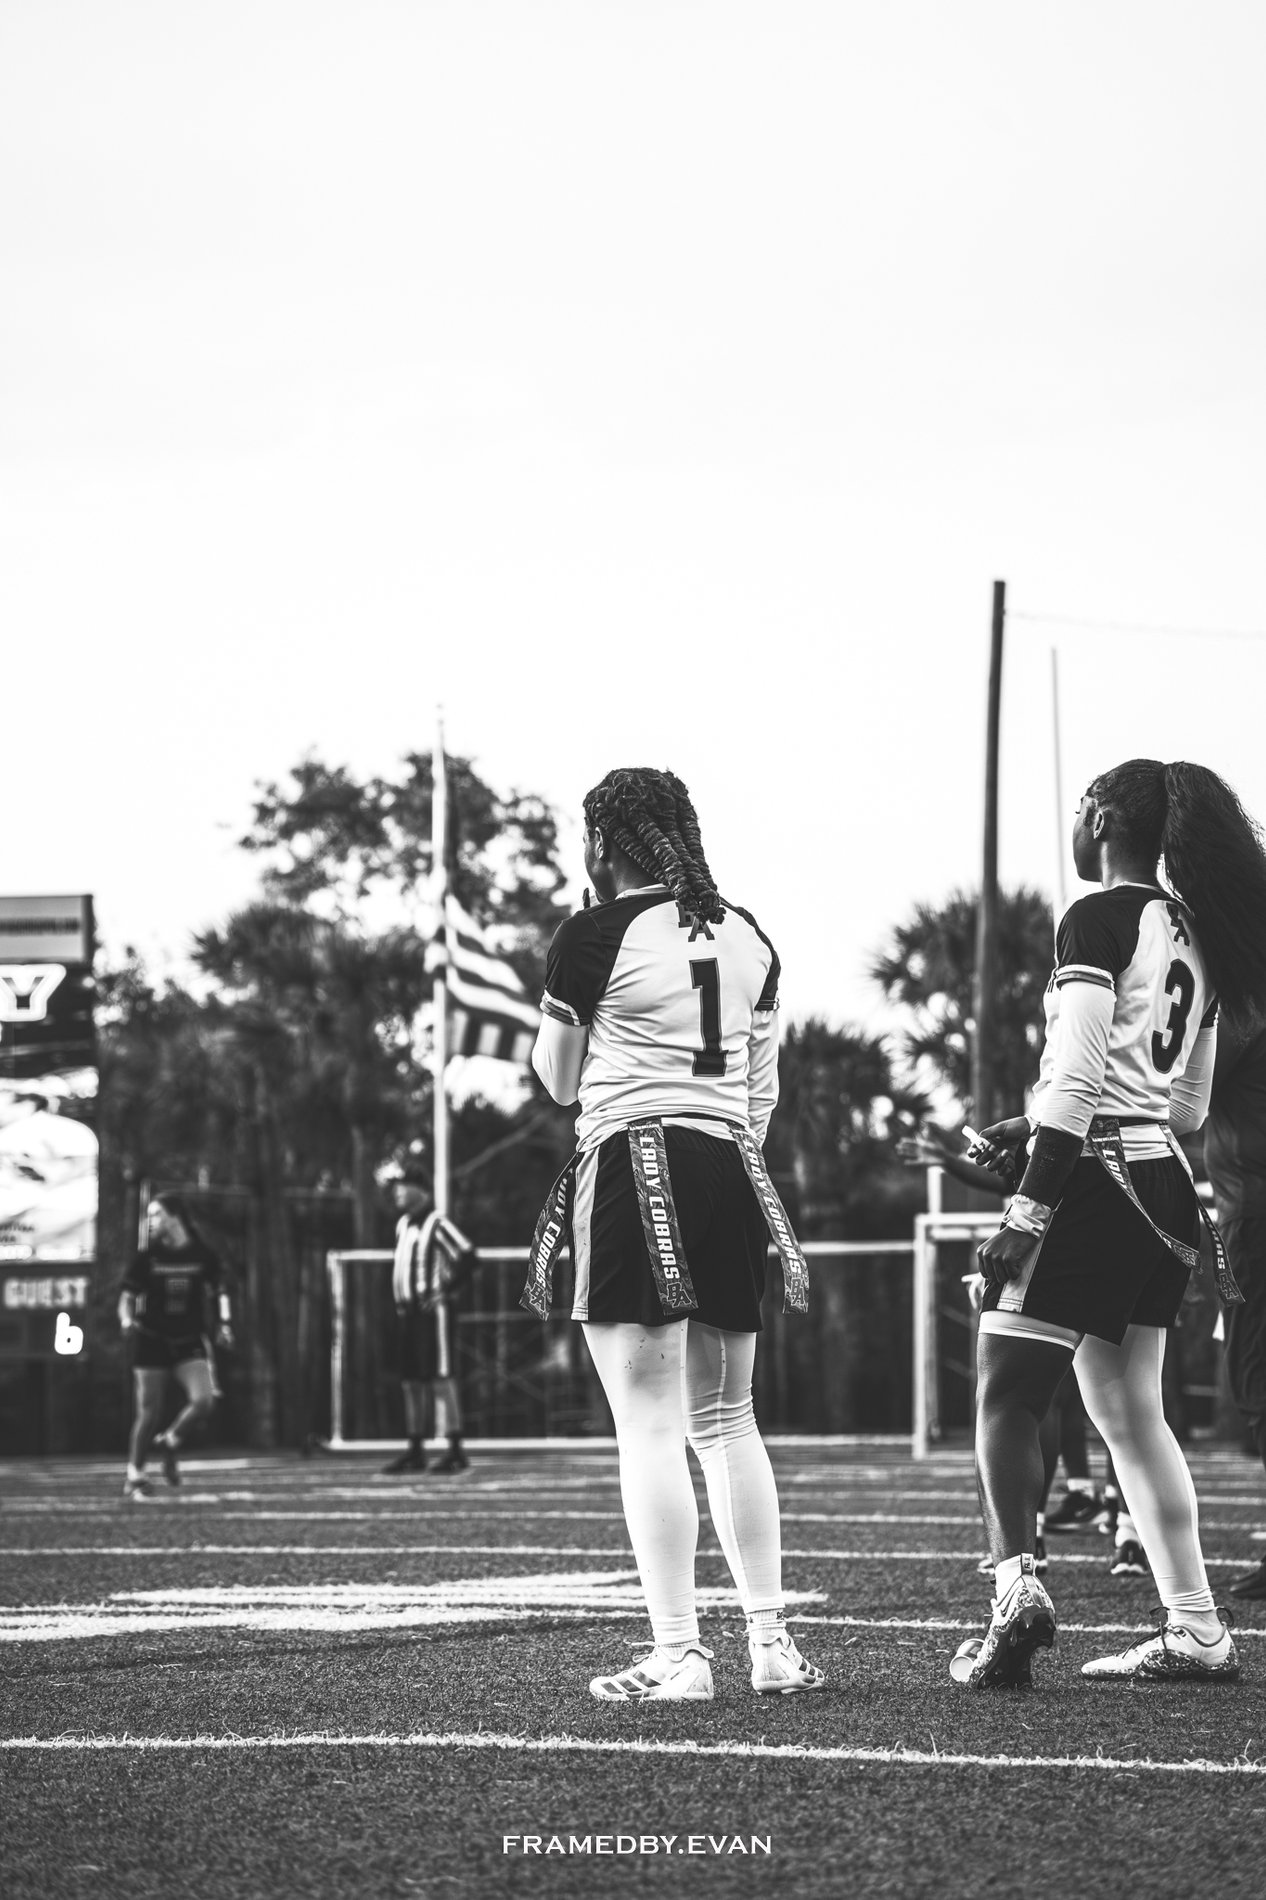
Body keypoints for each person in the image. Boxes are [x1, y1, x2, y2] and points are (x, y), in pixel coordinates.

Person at [956, 759, 1266, 1688]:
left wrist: (1026, 1207)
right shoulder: (1201, 934)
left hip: (1095, 1179)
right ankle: (1197, 1628)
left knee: (1007, 1393)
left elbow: (1081, 1078)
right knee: (1133, 1414)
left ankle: (1015, 1592)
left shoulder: (1096, 918)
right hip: (1163, 1179)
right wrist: (1036, 1121)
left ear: (1098, 817)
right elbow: (1185, 1107)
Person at [528, 766, 822, 1703]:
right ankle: (770, 1644)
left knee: (648, 1424)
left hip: (633, 1163)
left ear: (601, 844)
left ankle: (679, 1654)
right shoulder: (750, 934)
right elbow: (761, 1093)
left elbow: (558, 1081)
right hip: (731, 1165)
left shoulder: (594, 932)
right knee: (729, 1419)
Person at [1205, 1019, 1266, 1599]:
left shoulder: (1244, 1015)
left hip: (1252, 1219)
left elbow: (1177, 1091)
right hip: (1249, 1214)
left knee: (1255, 1381)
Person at [118, 1192, 232, 1500]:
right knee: (148, 1412)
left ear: (174, 1217)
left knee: (204, 1400)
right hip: (151, 1340)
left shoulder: (202, 1255)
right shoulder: (147, 1257)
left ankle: (171, 1439)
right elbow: (126, 1297)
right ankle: (135, 1476)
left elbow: (221, 1291)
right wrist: (127, 1320)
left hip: (188, 1341)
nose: (151, 1221)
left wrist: (225, 1323)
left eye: (156, 1214)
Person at [382, 1177, 474, 1476]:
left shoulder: (437, 1223)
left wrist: (444, 1292)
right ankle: (415, 1449)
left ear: (420, 1190)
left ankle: (455, 1449)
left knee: (441, 1376)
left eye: (403, 1185)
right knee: (411, 1380)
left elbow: (468, 1256)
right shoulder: (403, 1225)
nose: (397, 1191)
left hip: (432, 1315)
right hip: (407, 1313)